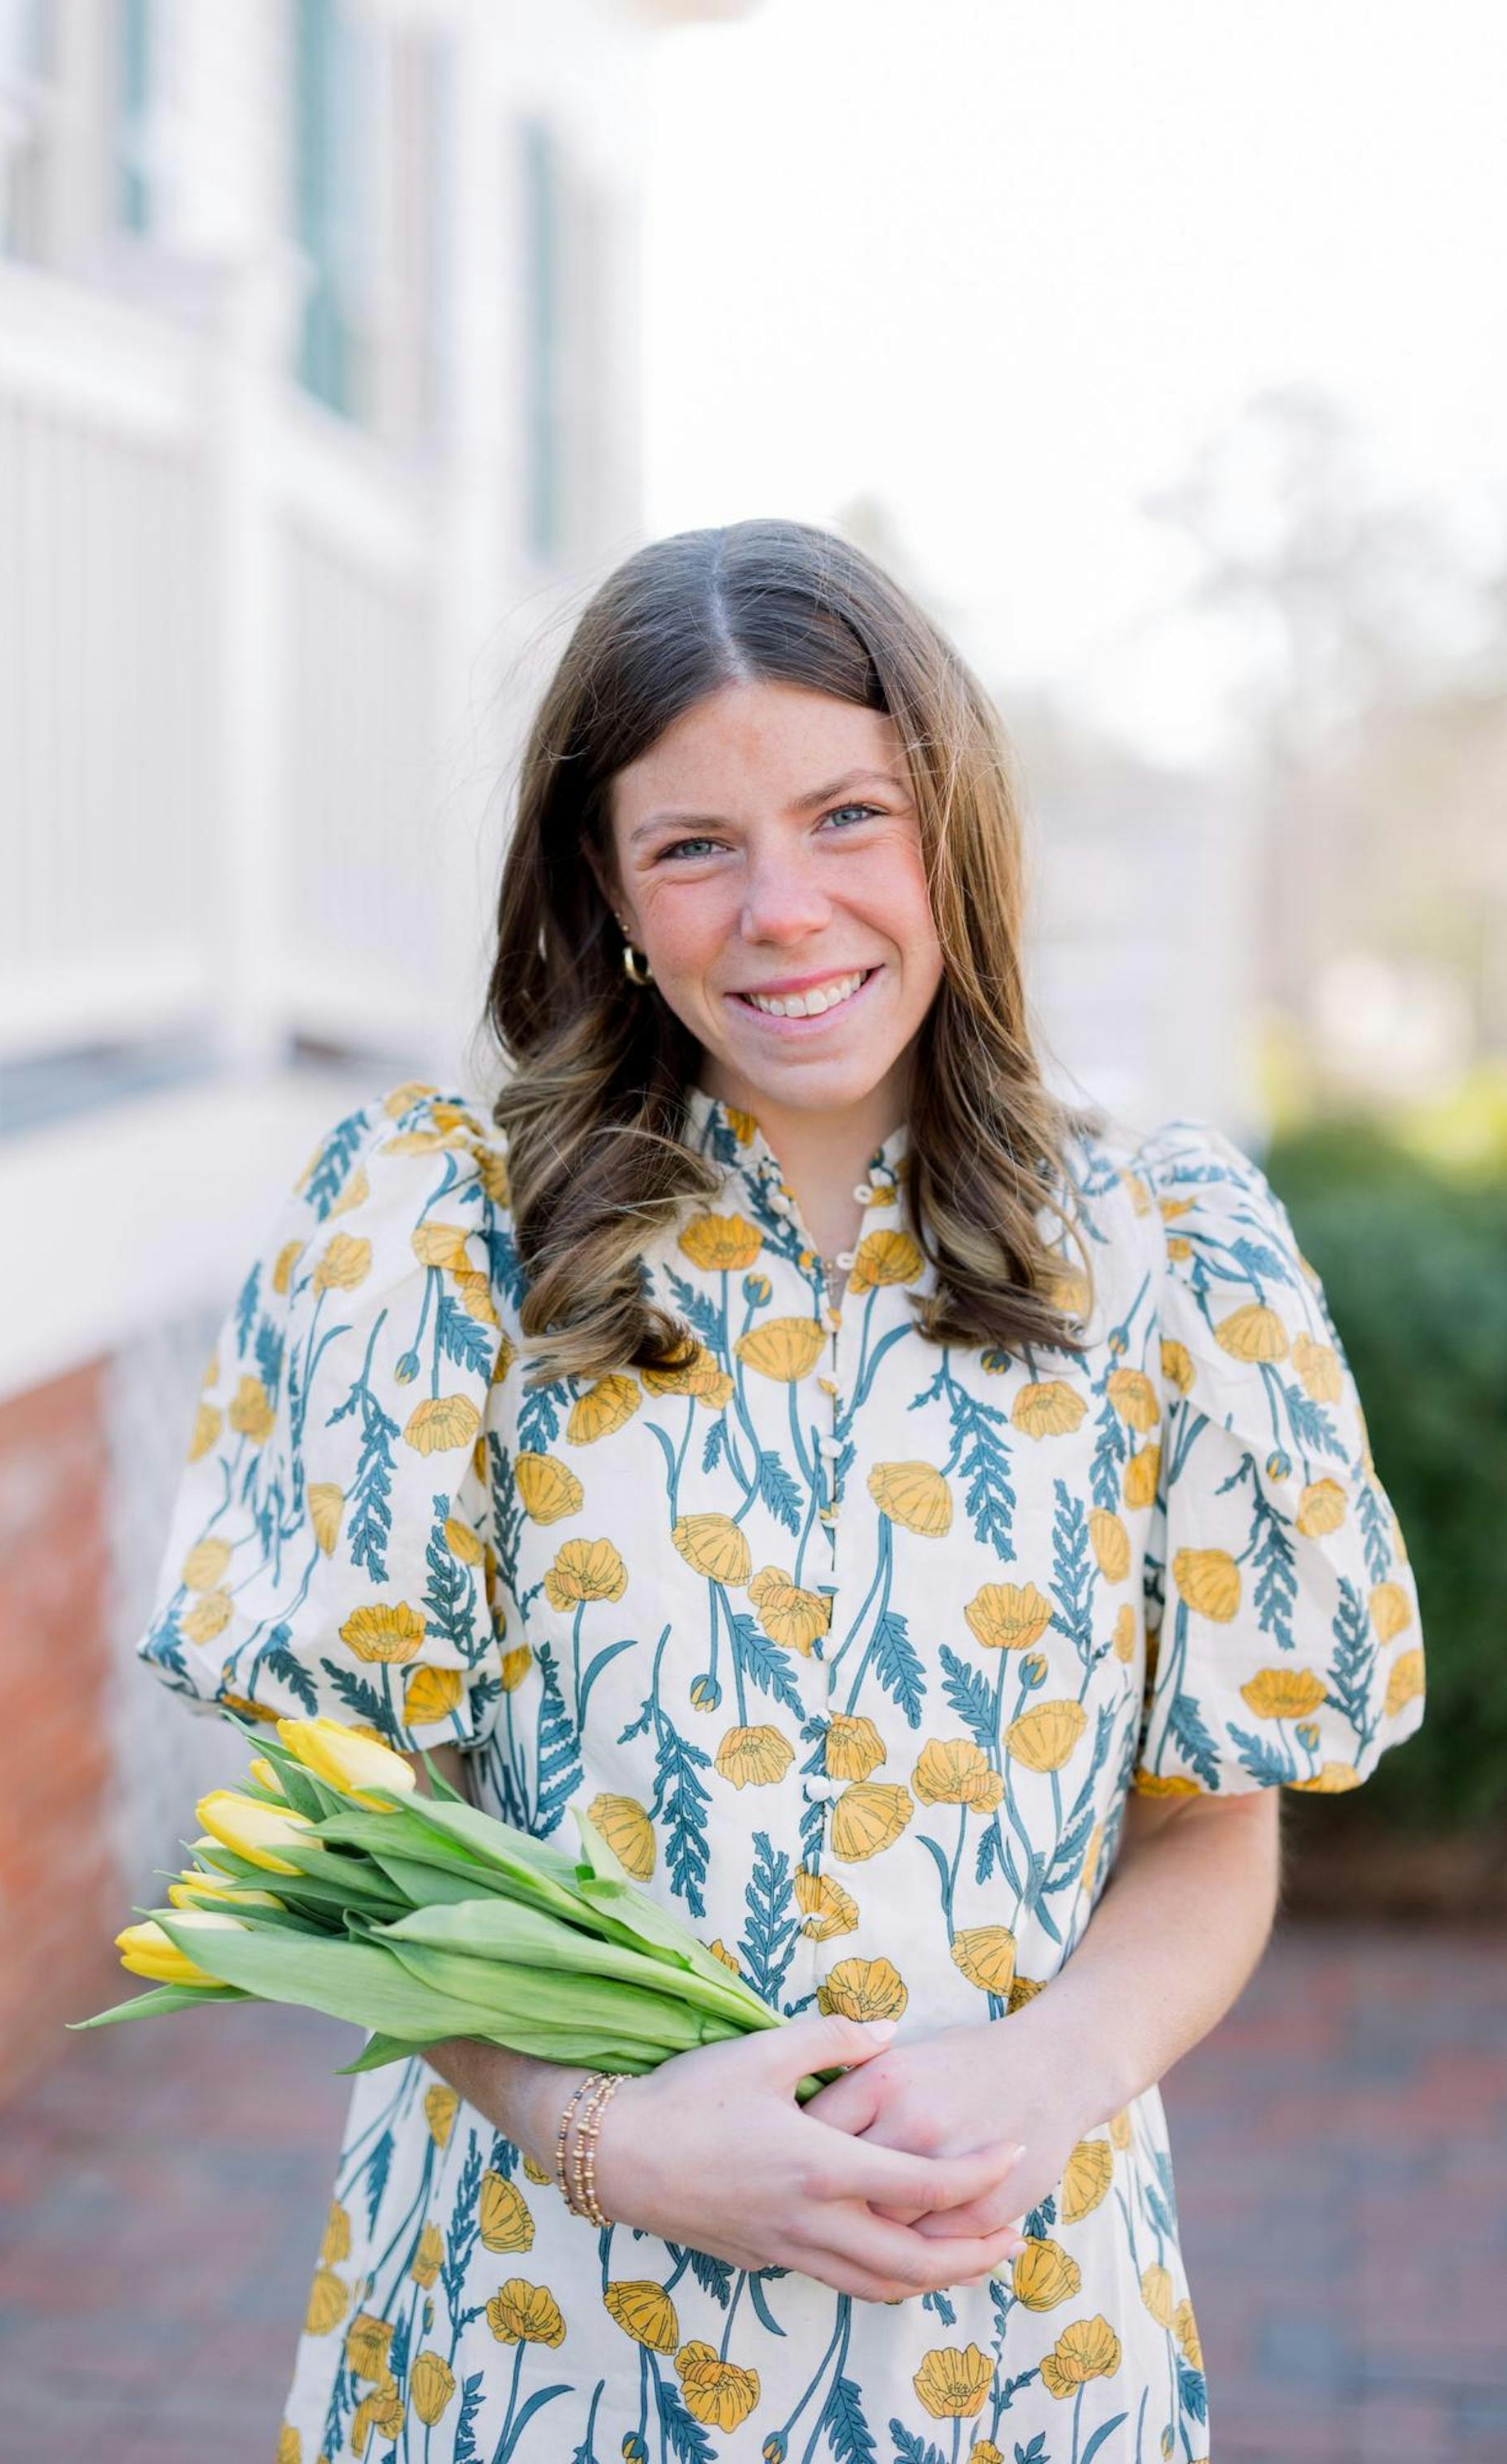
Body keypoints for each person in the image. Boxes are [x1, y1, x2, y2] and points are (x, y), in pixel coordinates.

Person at [136, 517, 1427, 2464]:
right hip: (530, 2326)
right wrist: (609, 2133)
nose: (785, 910)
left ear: (956, 829)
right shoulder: (432, 1228)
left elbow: (1206, 1829)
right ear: (607, 883)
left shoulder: (1167, 1248)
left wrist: (1049, 2066)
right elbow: (332, 1815)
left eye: (848, 816)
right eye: (694, 844)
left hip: (1006, 2335)